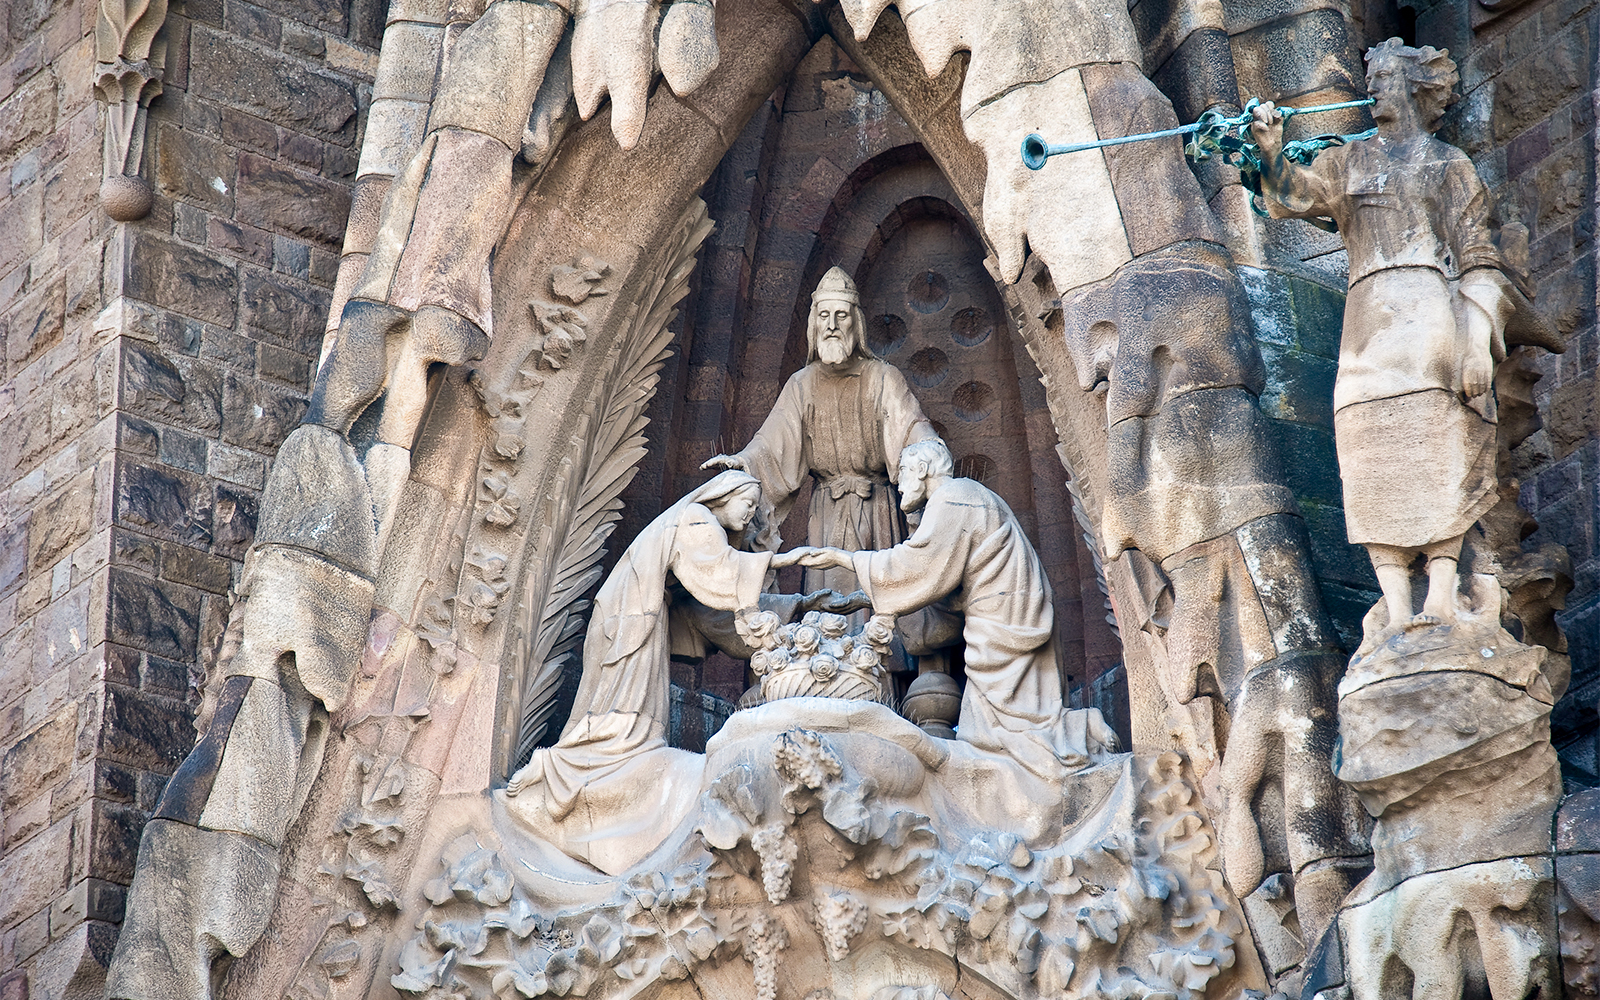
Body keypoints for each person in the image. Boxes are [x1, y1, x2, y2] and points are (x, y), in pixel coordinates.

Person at [1252, 39, 1515, 630]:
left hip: (1427, 313)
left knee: (1439, 438)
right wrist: (1270, 151)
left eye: (1385, 77)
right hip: (1367, 321)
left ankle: (1442, 595)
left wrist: (1477, 340)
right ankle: (1396, 610)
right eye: (1368, 77)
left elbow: (1480, 257)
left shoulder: (1447, 164)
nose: (1371, 87)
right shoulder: (1352, 160)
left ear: (1418, 89)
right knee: (1368, 444)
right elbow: (1295, 195)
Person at [503, 471, 806, 872]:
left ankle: (565, 769)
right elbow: (723, 576)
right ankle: (557, 769)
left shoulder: (696, 524)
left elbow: (712, 610)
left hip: (637, 617)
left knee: (629, 718)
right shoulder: (697, 520)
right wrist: (786, 561)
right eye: (746, 504)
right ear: (723, 496)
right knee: (619, 718)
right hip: (631, 621)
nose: (749, 515)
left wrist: (790, 607)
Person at [789, 440, 1115, 777]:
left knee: (1007, 728)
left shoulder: (954, 496)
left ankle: (1074, 733)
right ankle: (1077, 728)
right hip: (1008, 613)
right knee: (1004, 721)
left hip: (1001, 621)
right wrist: (866, 599)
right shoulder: (968, 496)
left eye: (902, 473)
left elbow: (919, 566)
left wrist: (844, 558)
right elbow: (942, 585)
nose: (898, 483)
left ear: (922, 469)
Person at [702, 267, 941, 595]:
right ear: (814, 323)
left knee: (880, 605)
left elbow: (913, 431)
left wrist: (930, 452)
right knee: (828, 601)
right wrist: (743, 465)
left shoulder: (883, 378)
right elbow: (771, 446)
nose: (831, 325)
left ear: (855, 323)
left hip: (878, 509)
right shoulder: (801, 384)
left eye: (841, 315)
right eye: (824, 315)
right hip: (826, 512)